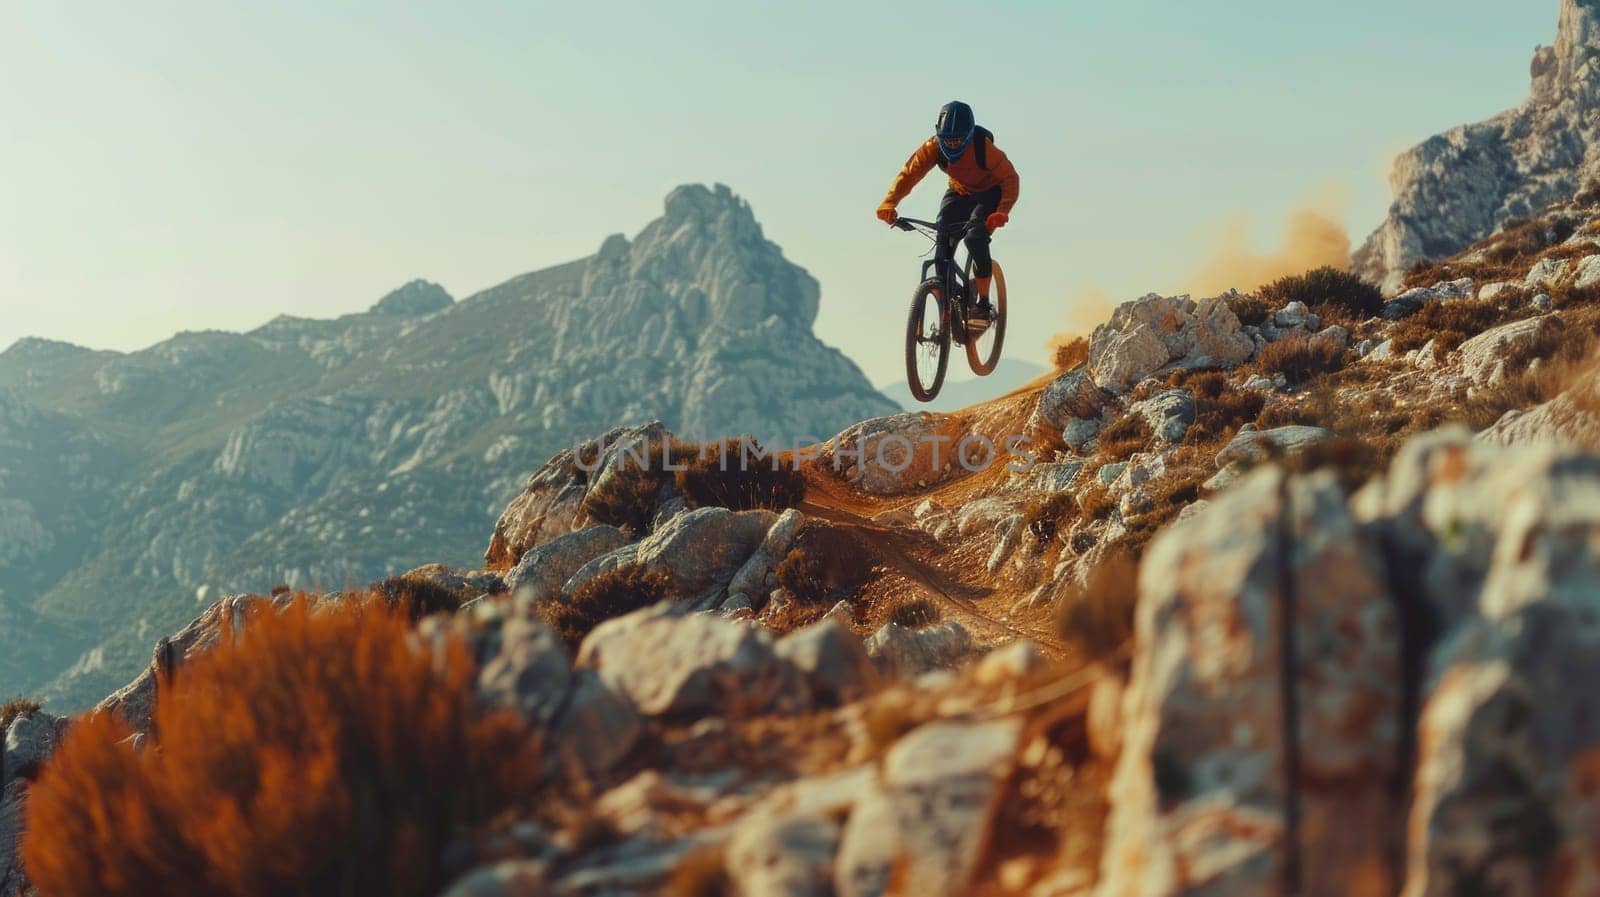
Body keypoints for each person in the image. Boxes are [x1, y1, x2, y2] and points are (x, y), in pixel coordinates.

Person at [877, 100, 1020, 333]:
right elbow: (909, 174)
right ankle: (948, 306)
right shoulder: (932, 148)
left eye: (957, 140)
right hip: (960, 192)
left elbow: (1011, 179)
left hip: (990, 193)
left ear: (969, 135)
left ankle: (983, 304)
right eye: (947, 140)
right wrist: (890, 202)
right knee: (942, 238)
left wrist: (1001, 211)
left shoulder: (985, 150)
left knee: (975, 239)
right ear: (938, 135)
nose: (952, 145)